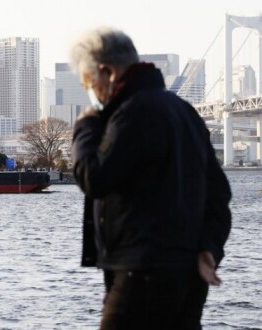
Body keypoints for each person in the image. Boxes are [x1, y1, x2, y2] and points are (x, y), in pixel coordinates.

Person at [69, 27, 232, 330]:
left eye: (88, 82)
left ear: (106, 71)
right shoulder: (184, 111)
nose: (92, 93)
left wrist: (85, 127)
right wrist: (209, 248)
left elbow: (94, 177)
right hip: (189, 275)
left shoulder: (133, 114)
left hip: (142, 272)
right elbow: (219, 193)